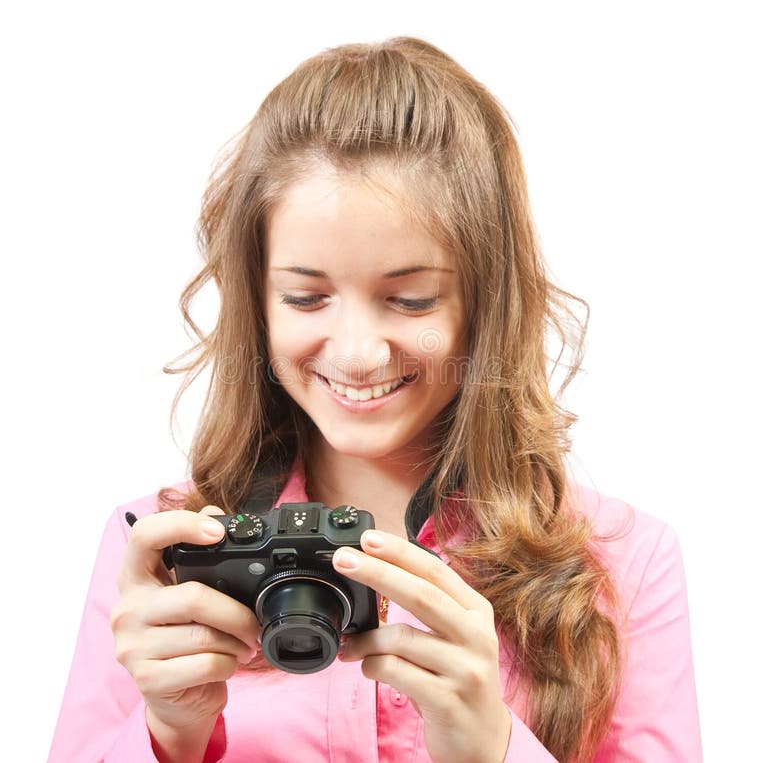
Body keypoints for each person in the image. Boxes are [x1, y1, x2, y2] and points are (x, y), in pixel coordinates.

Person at [49, 37, 702, 763]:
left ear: (483, 306)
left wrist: (493, 746)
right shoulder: (160, 549)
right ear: (258, 302)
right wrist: (167, 732)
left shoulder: (624, 565)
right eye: (306, 296)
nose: (358, 352)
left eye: (410, 298)